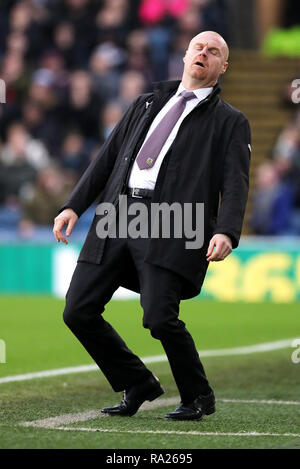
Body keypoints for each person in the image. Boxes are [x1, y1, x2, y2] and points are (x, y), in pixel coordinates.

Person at [53, 31, 251, 421]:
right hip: (117, 212)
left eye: (214, 52)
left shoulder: (231, 121)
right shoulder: (146, 102)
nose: (204, 54)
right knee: (77, 310)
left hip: (174, 222)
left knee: (160, 317)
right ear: (185, 55)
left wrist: (226, 230)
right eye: (199, 47)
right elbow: (107, 157)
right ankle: (137, 381)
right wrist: (74, 204)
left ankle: (198, 395)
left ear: (222, 67)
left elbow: (236, 180)